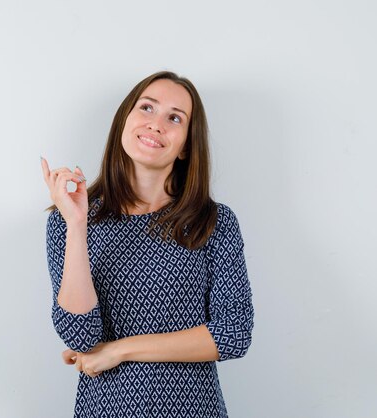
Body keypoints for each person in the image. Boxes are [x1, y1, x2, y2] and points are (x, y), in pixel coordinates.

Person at [40, 70, 254, 418]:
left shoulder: (213, 222)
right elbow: (81, 336)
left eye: (174, 118)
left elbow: (233, 334)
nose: (156, 124)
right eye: (147, 108)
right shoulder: (68, 221)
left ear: (186, 144)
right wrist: (77, 225)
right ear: (125, 119)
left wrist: (120, 350)